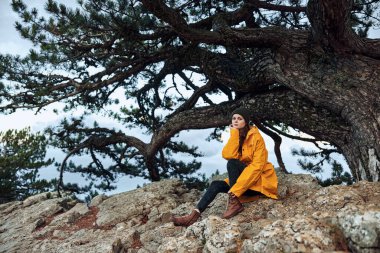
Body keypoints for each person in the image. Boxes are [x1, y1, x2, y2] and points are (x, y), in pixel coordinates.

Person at [171, 107, 278, 227]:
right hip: (244, 185)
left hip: (258, 184)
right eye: (234, 118)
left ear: (246, 122)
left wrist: (235, 191)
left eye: (240, 118)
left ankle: (235, 203)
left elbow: (256, 167)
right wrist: (234, 135)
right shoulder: (237, 136)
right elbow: (227, 154)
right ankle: (193, 216)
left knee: (233, 163)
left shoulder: (257, 138)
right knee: (216, 184)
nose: (236, 121)